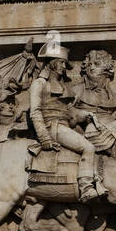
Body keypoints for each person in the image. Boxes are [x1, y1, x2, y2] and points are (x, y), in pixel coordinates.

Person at [28, 43, 101, 202]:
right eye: (61, 62)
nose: (64, 67)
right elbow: (35, 112)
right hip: (52, 127)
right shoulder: (39, 84)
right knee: (89, 147)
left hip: (64, 125)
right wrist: (45, 138)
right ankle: (86, 186)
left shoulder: (64, 86)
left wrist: (84, 114)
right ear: (52, 62)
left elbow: (68, 113)